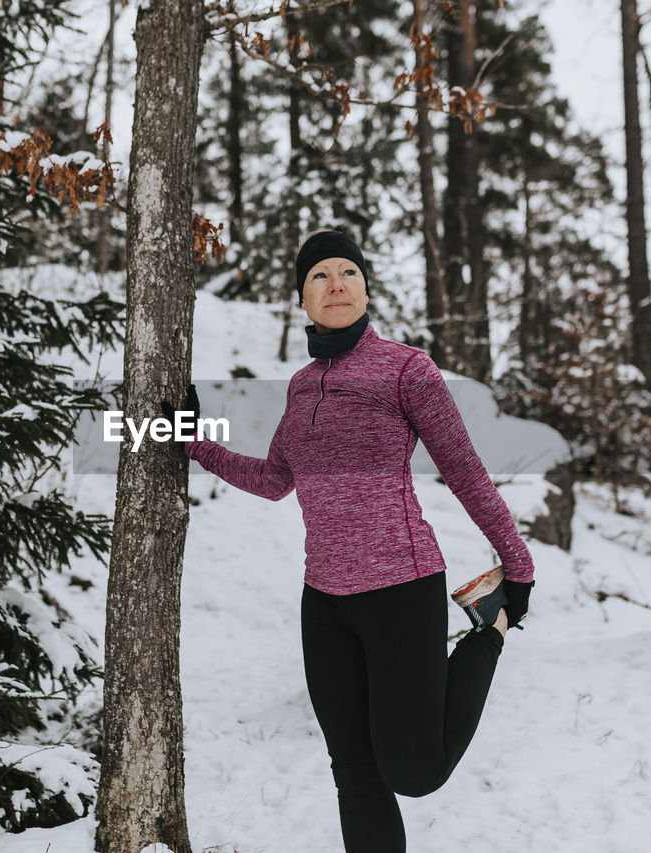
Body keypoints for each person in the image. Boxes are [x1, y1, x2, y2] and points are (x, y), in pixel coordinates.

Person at [167, 229, 535, 853]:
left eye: (348, 273)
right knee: (356, 776)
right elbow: (277, 479)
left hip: (403, 587)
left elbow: (464, 469)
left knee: (413, 772)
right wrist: (194, 441)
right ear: (302, 300)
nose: (335, 283)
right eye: (319, 275)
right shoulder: (301, 386)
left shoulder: (406, 369)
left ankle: (490, 629)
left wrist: (516, 565)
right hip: (326, 602)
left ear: (365, 289)